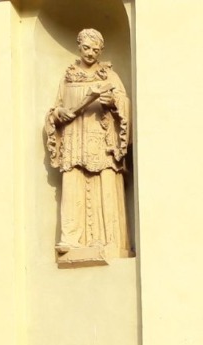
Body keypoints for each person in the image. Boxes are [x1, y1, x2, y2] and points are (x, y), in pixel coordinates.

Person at [44, 27, 131, 259]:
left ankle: (108, 239)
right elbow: (56, 107)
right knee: (73, 182)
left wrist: (113, 101)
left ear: (101, 50)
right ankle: (72, 238)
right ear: (79, 47)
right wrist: (58, 114)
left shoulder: (109, 76)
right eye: (86, 48)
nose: (90, 53)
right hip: (74, 139)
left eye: (95, 49)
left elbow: (124, 103)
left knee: (105, 183)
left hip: (101, 140)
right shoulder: (68, 76)